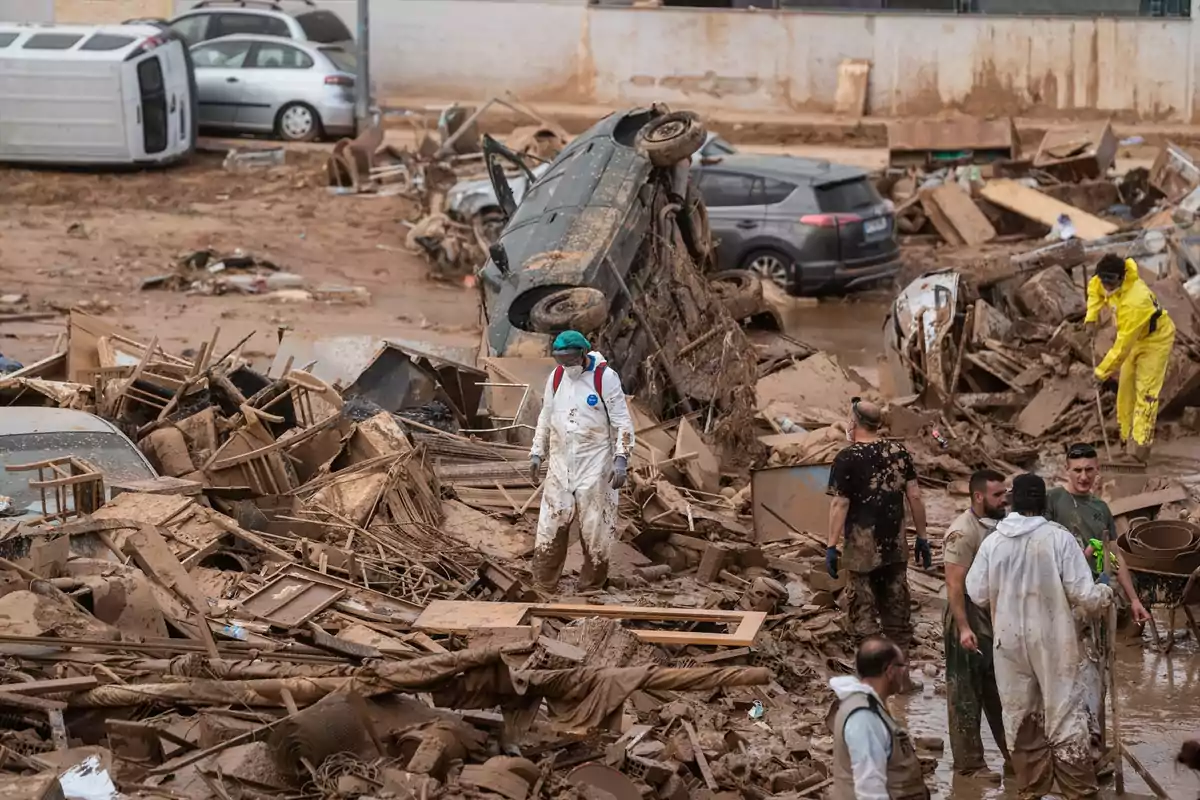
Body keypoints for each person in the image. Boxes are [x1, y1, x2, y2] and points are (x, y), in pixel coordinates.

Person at [966, 474, 1114, 800]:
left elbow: (976, 592)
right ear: (1044, 503)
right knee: (1064, 715)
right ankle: (1079, 793)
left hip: (1009, 643)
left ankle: (1031, 791)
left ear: (1011, 502)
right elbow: (1085, 597)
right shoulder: (1059, 539)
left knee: (1019, 715)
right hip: (1053, 641)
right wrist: (1105, 590)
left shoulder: (993, 541)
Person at [1045, 442, 1152, 770]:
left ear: (1098, 470)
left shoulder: (1100, 508)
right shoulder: (1053, 501)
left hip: (1097, 598)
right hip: (1062, 601)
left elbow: (1114, 555)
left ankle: (1094, 746)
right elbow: (1042, 548)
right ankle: (1066, 749)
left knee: (1098, 673)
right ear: (1066, 470)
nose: (1083, 476)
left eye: (1089, 470)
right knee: (1064, 675)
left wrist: (1133, 599)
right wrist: (1082, 557)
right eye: (1077, 470)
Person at [529, 330, 634, 593]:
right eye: (560, 360)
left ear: (583, 353)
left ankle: (591, 587)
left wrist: (621, 458)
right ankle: (543, 585)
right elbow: (546, 416)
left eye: (570, 359)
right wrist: (537, 451)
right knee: (550, 524)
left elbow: (622, 421)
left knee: (595, 526)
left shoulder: (604, 378)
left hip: (595, 463)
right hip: (560, 462)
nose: (566, 365)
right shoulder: (555, 379)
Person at [826, 398, 930, 663]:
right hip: (894, 547)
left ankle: (873, 682)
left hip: (861, 551)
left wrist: (830, 546)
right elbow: (915, 496)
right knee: (897, 617)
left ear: (855, 422)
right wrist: (922, 537)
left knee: (863, 617)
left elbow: (840, 503)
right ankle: (900, 679)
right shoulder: (899, 451)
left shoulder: (846, 458)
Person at [943, 469, 1010, 777]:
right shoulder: (963, 532)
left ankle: (1013, 756)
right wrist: (964, 627)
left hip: (990, 613)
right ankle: (969, 765)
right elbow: (954, 585)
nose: (1004, 498)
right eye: (998, 494)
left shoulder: (999, 525)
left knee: (999, 688)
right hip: (966, 613)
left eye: (1005, 493)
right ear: (979, 496)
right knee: (966, 691)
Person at [1086, 254, 1175, 461]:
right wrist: (1091, 317)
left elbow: (1122, 346)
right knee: (1125, 390)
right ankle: (1126, 441)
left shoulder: (1136, 300)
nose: (1106, 285)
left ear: (1122, 277)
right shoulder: (1101, 281)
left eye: (1110, 280)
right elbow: (1093, 291)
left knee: (1146, 393)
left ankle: (1140, 449)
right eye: (1103, 279)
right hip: (1133, 337)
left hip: (1155, 340)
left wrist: (1101, 372)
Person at [829, 636, 931, 800]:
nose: (904, 672)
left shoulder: (868, 705)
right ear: (890, 671)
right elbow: (870, 788)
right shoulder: (864, 717)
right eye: (902, 666)